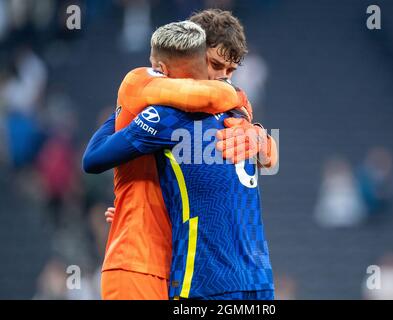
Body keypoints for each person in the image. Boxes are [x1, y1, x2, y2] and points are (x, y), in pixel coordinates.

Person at [83, 19, 275, 300]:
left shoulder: (234, 118)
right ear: (194, 57)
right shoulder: (161, 107)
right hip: (147, 264)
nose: (224, 77)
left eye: (231, 71)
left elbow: (268, 159)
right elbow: (93, 159)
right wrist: (238, 96)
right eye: (215, 65)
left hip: (213, 272)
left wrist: (263, 141)